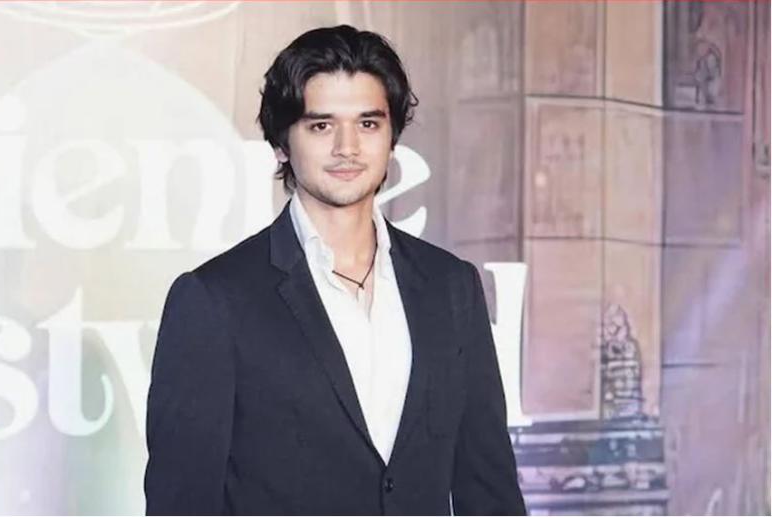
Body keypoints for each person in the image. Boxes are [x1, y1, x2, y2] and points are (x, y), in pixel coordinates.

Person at [144, 24, 525, 516]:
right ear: (282, 143)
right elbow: (181, 503)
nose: (348, 147)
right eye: (321, 126)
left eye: (368, 124)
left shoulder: (451, 287)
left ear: (392, 138)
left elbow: (489, 489)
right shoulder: (214, 300)